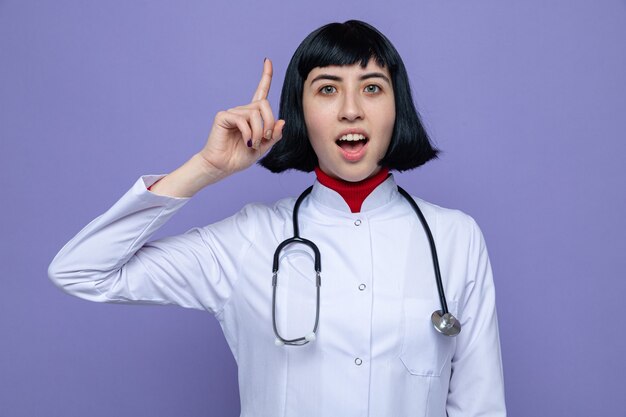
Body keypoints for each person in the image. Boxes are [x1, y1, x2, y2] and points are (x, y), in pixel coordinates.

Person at [49, 20, 506, 417]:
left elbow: (479, 406)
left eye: (372, 87)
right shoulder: (250, 238)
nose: (351, 108)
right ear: (300, 113)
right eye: (328, 88)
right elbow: (82, 272)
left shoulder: (454, 238)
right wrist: (205, 169)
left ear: (395, 106)